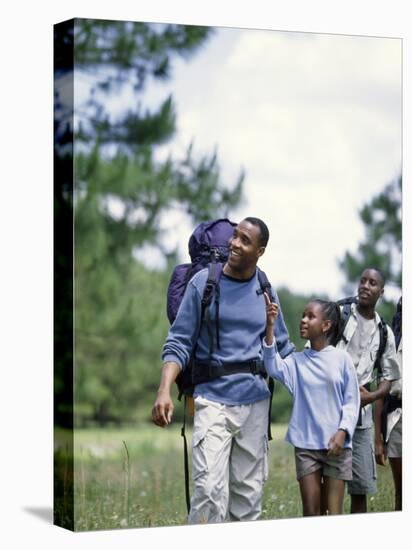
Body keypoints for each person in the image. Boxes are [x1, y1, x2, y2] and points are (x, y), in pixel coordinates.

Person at [151, 217, 294, 524]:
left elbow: (285, 349)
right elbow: (178, 342)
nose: (234, 243)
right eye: (234, 237)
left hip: (255, 405)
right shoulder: (203, 283)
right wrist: (164, 389)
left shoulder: (265, 289)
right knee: (208, 494)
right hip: (212, 402)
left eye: (244, 240)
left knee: (247, 501)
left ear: (260, 250)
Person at [263, 297, 360, 516]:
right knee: (311, 512)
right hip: (306, 447)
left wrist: (343, 432)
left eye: (310, 316)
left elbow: (352, 402)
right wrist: (270, 326)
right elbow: (272, 366)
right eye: (303, 316)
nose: (303, 320)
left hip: (337, 446)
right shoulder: (297, 361)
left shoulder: (342, 359)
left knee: (334, 514)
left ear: (326, 325)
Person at [335, 268, 400, 514]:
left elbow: (388, 378)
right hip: (329, 412)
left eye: (373, 283)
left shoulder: (385, 332)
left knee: (360, 487)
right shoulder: (338, 313)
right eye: (362, 280)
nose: (365, 286)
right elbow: (313, 354)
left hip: (361, 421)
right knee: (329, 481)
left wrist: (369, 397)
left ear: (381, 292)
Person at [377, 296, 402, 510]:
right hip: (397, 414)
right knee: (402, 491)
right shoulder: (393, 338)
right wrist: (379, 438)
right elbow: (384, 386)